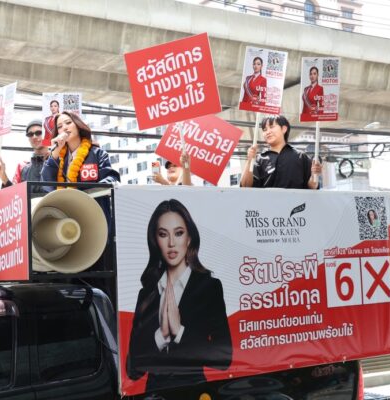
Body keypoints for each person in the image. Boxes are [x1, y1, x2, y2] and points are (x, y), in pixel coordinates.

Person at [126, 199, 232, 392]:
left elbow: (224, 358)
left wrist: (179, 331)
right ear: (155, 241)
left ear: (189, 238)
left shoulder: (209, 287)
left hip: (194, 390)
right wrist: (161, 335)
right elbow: (133, 370)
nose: (171, 243)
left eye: (179, 233)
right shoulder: (147, 293)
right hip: (155, 393)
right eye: (163, 234)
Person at [41, 111, 120, 189]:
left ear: (77, 125)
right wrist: (54, 154)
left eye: (68, 123)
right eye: (59, 127)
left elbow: (112, 178)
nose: (64, 128)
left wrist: (93, 190)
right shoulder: (57, 158)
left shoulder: (98, 154)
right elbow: (47, 185)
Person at [240, 115, 322, 189]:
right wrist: (249, 160)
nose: (268, 132)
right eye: (264, 130)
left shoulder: (300, 156)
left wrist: (314, 175)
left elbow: (313, 187)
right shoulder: (259, 159)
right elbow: (245, 186)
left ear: (284, 129)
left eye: (271, 127)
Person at [0, 119, 48, 193]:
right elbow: (14, 195)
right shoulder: (22, 167)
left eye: (39, 133)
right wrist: (3, 177)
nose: (34, 136)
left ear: (47, 135)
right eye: (30, 134)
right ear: (28, 139)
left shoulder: (57, 160)